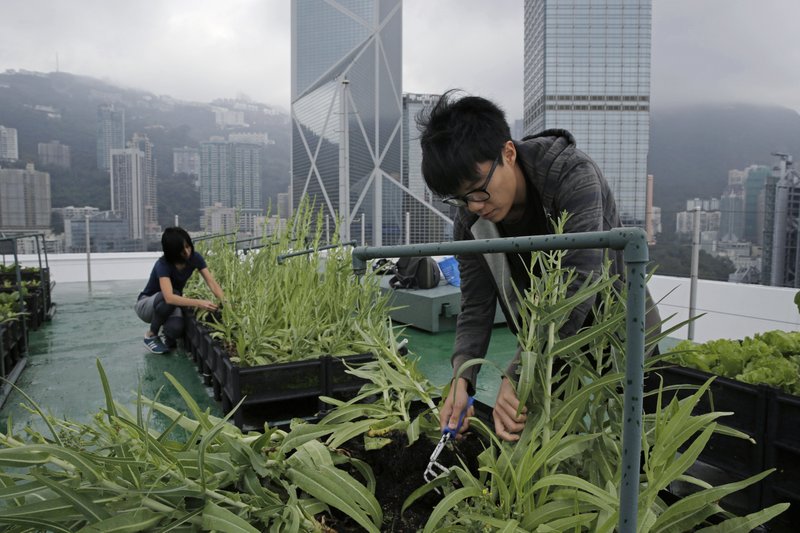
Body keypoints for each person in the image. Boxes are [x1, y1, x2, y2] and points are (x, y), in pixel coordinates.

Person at [417, 91, 661, 442]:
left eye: (478, 190)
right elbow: (476, 305)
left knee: (639, 443)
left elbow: (578, 285)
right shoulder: (470, 219)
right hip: (544, 345)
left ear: (508, 152)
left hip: (615, 329)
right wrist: (462, 377)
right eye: (460, 199)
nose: (474, 206)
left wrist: (517, 374)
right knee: (538, 445)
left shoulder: (573, 176)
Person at [135, 227, 225, 354]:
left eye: (188, 246)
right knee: (174, 294)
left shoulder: (195, 258)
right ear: (172, 252)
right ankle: (151, 335)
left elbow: (212, 283)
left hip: (170, 304)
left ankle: (167, 337)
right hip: (146, 305)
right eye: (182, 250)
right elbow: (169, 298)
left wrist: (225, 302)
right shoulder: (163, 264)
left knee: (175, 329)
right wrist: (200, 303)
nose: (187, 252)